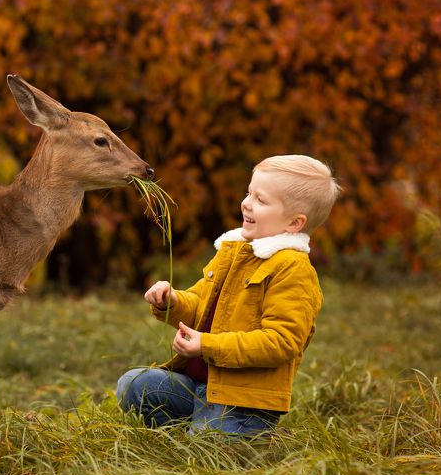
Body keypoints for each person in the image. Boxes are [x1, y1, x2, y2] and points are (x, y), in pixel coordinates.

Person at [116, 155, 341, 437]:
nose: (247, 202)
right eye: (249, 193)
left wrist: (207, 346)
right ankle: (196, 424)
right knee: (134, 384)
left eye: (261, 200)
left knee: (203, 445)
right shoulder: (233, 251)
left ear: (294, 223)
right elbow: (200, 304)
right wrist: (171, 301)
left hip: (242, 402)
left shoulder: (292, 269)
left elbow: (281, 342)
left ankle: (248, 432)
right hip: (198, 387)